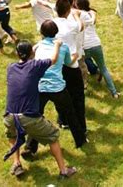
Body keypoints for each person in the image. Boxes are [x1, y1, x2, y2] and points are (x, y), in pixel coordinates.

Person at [4, 40, 77, 179]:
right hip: (28, 117)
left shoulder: (10, 67)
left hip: (9, 116)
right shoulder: (36, 66)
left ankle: (17, 163)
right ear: (33, 53)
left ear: (16, 53)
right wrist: (56, 45)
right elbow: (54, 59)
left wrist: (37, 45)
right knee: (53, 136)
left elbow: (27, 54)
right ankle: (63, 171)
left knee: (13, 135)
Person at [24, 20, 87, 155]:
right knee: (71, 114)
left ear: (41, 33)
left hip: (41, 87)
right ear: (56, 32)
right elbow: (69, 63)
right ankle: (80, 140)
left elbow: (31, 58)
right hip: (57, 88)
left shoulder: (38, 46)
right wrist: (75, 56)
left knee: (36, 117)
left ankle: (30, 147)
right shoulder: (62, 47)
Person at [52, 0, 87, 134]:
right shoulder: (71, 25)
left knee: (60, 94)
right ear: (67, 11)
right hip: (71, 65)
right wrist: (77, 15)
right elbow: (81, 26)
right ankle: (81, 129)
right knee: (77, 97)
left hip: (56, 65)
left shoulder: (51, 23)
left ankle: (63, 120)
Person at [76, 0, 120, 98]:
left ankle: (83, 87)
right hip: (96, 44)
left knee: (78, 66)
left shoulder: (76, 14)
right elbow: (93, 18)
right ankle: (114, 93)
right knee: (104, 68)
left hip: (85, 47)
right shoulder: (91, 13)